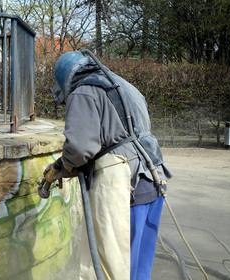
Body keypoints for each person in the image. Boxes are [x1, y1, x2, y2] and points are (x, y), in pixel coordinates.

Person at [43, 51, 173, 280]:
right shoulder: (124, 87)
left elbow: (80, 148)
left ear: (66, 80)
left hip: (124, 191)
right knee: (138, 269)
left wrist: (64, 165)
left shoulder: (83, 90)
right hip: (153, 182)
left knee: (112, 268)